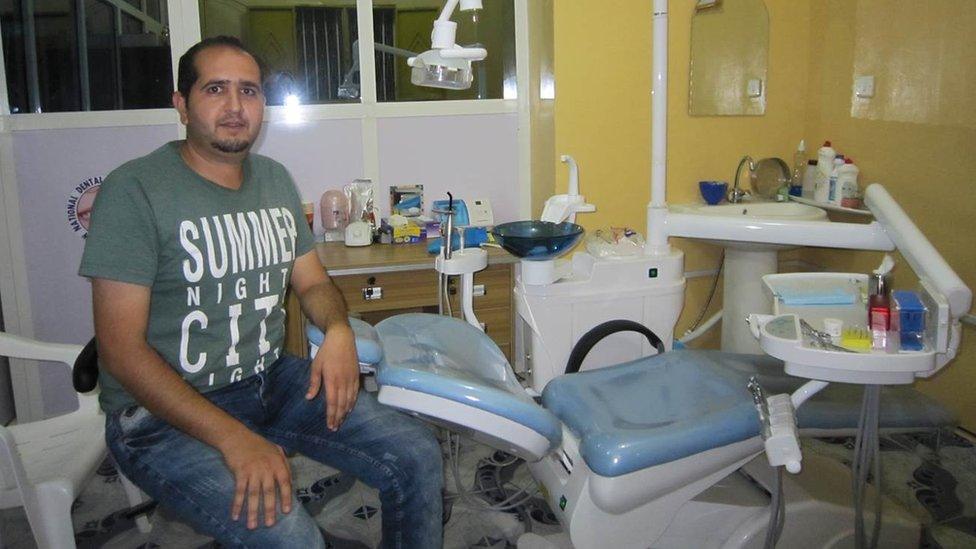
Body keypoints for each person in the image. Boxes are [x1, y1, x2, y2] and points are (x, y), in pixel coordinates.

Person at [79, 36, 443, 548]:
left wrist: (338, 332)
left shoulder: (274, 181)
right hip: (160, 417)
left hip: (268, 381)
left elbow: (313, 281)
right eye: (215, 89)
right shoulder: (134, 190)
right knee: (288, 533)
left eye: (248, 91)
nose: (234, 107)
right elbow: (119, 350)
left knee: (416, 453)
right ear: (181, 104)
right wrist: (233, 438)